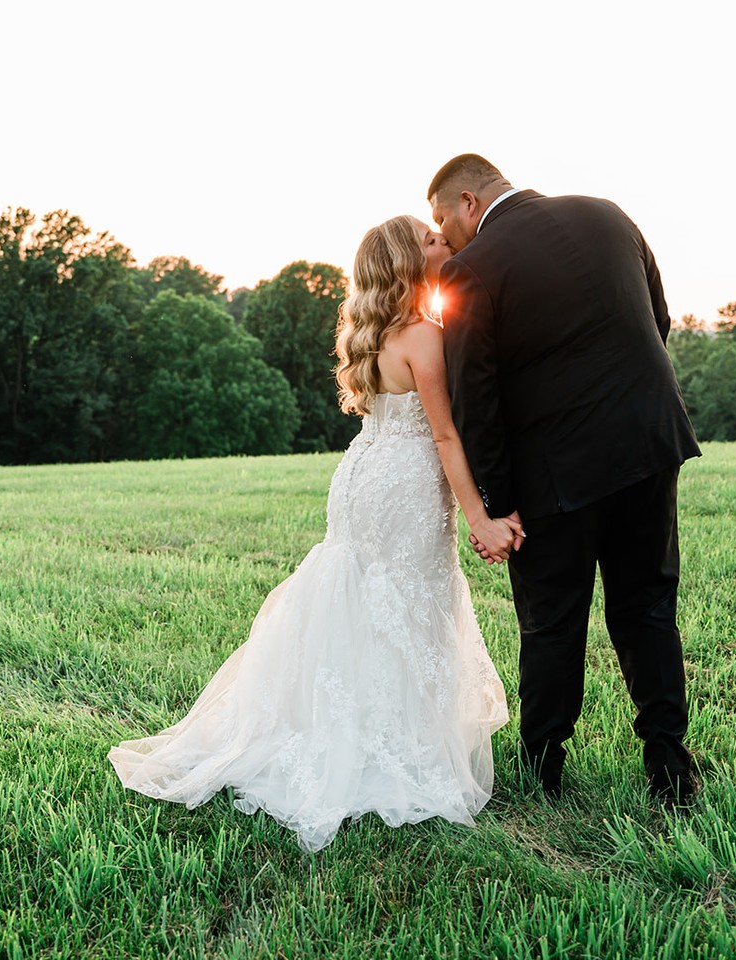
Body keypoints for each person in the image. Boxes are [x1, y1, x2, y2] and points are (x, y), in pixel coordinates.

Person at [109, 215, 515, 852]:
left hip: (360, 473)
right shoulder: (424, 337)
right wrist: (480, 518)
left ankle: (355, 727)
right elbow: (444, 435)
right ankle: (396, 746)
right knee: (411, 599)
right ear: (410, 262)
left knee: (361, 594)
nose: (444, 244)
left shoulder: (366, 331)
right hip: (406, 481)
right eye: (431, 241)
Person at [428, 154, 702, 807]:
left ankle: (544, 768)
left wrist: (498, 503)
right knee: (649, 607)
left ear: (468, 202)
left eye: (441, 218)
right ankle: (670, 767)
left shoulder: (472, 268)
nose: (444, 234)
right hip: (648, 443)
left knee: (552, 621)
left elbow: (477, 400)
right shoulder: (608, 215)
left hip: (556, 474)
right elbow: (657, 321)